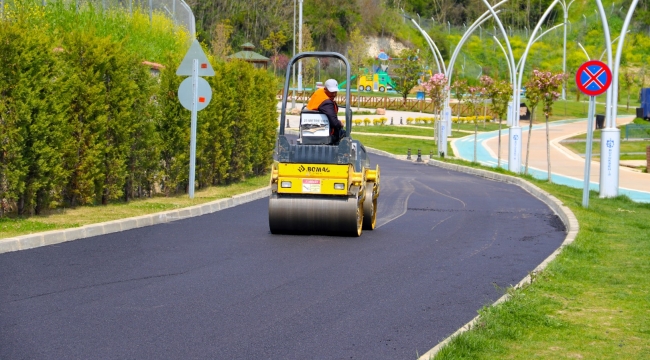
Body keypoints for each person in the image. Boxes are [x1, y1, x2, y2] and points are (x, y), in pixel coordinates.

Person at [306, 78, 345, 144]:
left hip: (310, 129)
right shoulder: (326, 103)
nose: (334, 94)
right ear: (325, 89)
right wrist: (340, 123)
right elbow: (334, 123)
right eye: (331, 92)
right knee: (344, 134)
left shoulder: (319, 93)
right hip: (324, 134)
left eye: (335, 92)